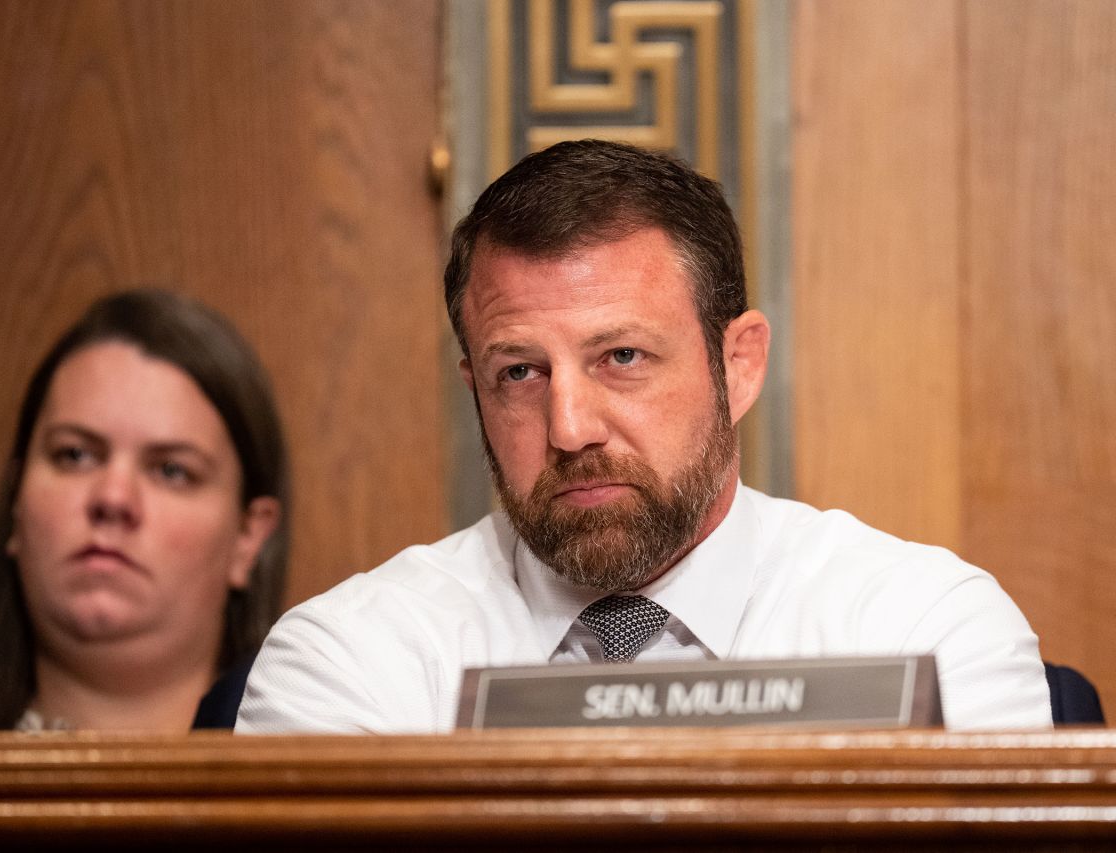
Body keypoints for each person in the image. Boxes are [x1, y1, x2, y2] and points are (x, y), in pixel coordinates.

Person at [236, 139, 1051, 734]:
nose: (569, 428)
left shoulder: (925, 633)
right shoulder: (351, 659)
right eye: (519, 372)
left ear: (739, 364)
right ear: (474, 389)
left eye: (622, 357)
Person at [0, 289, 288, 732]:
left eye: (172, 470)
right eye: (75, 455)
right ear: (15, 501)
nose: (113, 498)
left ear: (248, 538)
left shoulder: (325, 792)